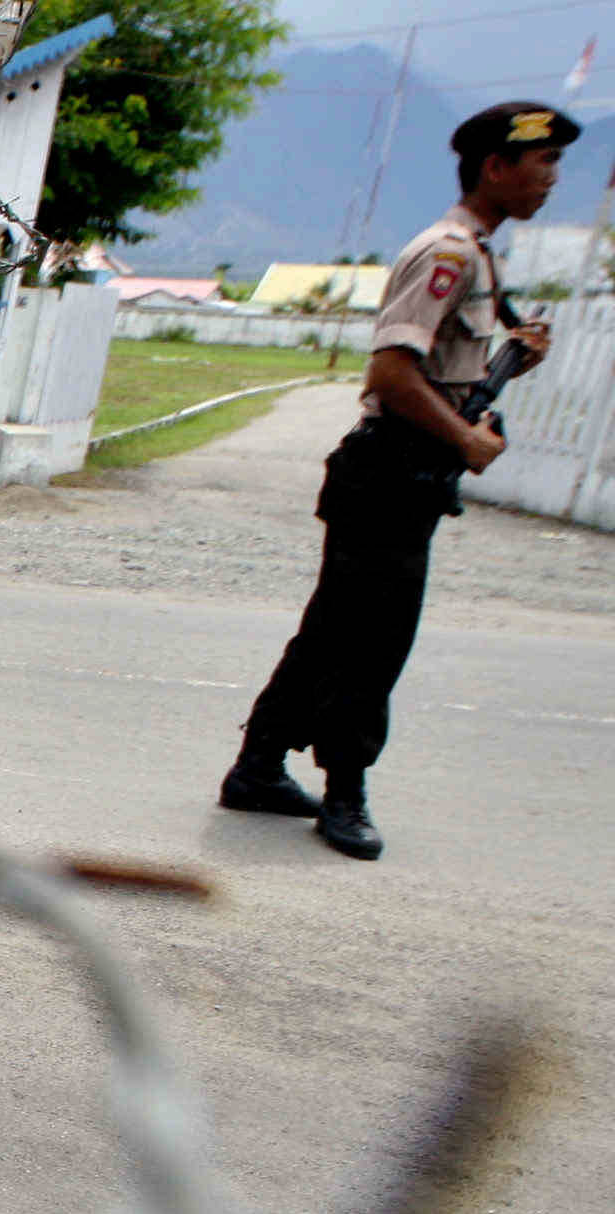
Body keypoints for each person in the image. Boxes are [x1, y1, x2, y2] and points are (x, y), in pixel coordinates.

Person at [218, 102, 580, 860]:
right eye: (541, 160)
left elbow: (448, 364)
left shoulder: (480, 255)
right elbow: (391, 369)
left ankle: (256, 768)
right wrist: (466, 441)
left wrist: (508, 357)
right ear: (496, 167)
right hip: (388, 472)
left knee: (333, 631)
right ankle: (345, 793)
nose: (551, 177)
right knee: (375, 642)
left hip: (403, 475)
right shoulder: (448, 252)